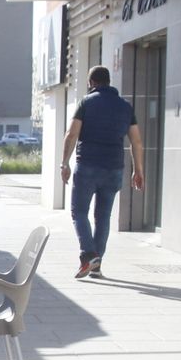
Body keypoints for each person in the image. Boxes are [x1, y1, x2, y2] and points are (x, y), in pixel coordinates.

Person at [60, 65, 143, 280]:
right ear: (109, 82)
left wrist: (64, 163)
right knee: (103, 216)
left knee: (79, 212)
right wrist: (138, 170)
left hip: (87, 164)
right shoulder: (125, 106)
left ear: (91, 83)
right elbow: (136, 141)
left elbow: (71, 134)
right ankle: (96, 265)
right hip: (114, 167)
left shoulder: (86, 102)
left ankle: (89, 255)